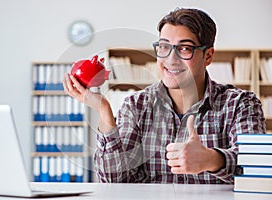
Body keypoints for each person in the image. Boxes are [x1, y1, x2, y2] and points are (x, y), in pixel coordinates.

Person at [63, 8, 266, 184]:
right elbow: (114, 180)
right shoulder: (136, 106)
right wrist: (104, 110)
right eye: (164, 47)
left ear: (208, 56)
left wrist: (212, 160)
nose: (171, 59)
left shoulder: (241, 104)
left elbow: (257, 169)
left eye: (184, 48)